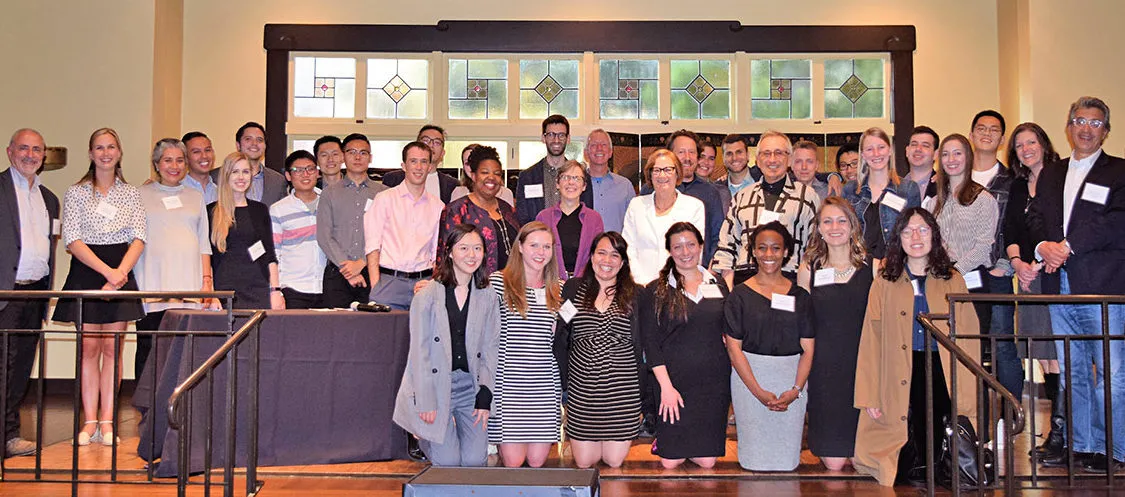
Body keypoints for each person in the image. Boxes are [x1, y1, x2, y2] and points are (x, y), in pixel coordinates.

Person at [1028, 96, 1125, 472]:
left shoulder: (1119, 172)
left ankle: (1114, 450)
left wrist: (1067, 246)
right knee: (1074, 372)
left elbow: (1116, 222)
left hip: (1103, 287)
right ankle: (1083, 446)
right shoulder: (1053, 172)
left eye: (1096, 123)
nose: (1086, 128)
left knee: (1114, 372)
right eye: (1080, 121)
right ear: (1069, 127)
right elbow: (1035, 217)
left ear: (1106, 130)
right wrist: (1043, 246)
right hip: (1059, 284)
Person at [853, 207, 981, 486]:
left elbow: (969, 334)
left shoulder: (952, 277)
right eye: (908, 230)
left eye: (923, 229)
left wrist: (969, 385)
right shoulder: (885, 280)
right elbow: (871, 337)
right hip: (898, 367)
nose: (916, 237)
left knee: (940, 430)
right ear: (899, 237)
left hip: (941, 366)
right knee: (903, 443)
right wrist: (869, 394)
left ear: (934, 236)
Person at [53, 128, 147, 447]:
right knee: (89, 349)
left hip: (121, 271)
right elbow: (73, 239)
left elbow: (139, 236)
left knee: (113, 349)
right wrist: (107, 272)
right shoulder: (76, 192)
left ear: (119, 152)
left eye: (111, 147)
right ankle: (88, 421)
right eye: (99, 147)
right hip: (89, 271)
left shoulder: (132, 193)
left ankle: (108, 421)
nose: (105, 152)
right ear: (91, 154)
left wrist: (120, 273)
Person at [393, 224, 499, 467]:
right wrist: (425, 401)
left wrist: (485, 394)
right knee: (448, 463)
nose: (471, 255)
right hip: (436, 384)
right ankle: (419, 433)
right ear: (449, 252)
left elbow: (491, 348)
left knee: (474, 462)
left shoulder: (488, 294)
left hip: (469, 386)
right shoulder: (427, 295)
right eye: (464, 248)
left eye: (477, 248)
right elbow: (419, 353)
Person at [637, 222, 730, 469]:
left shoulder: (718, 283)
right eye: (677, 246)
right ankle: (661, 439)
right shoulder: (655, 290)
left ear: (701, 246)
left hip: (713, 383)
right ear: (669, 251)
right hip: (673, 383)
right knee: (671, 462)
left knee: (707, 462)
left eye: (690, 244)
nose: (685, 251)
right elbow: (651, 344)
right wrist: (665, 387)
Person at [725, 222, 814, 471]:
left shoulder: (800, 296)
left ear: (787, 252)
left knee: (787, 462)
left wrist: (796, 389)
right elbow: (734, 349)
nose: (768, 254)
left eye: (776, 248)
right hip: (749, 380)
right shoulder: (739, 296)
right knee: (753, 461)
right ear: (752, 251)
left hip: (792, 379)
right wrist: (758, 391)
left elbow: (808, 349)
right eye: (762, 248)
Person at [553, 232, 642, 468]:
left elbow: (644, 343)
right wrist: (564, 385)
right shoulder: (573, 289)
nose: (607, 260)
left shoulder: (635, 294)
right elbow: (562, 334)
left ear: (623, 262)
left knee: (613, 461)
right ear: (591, 257)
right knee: (584, 462)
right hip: (582, 394)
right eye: (601, 252)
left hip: (622, 396)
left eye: (615, 255)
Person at [796, 197, 872, 471]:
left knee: (863, 460)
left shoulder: (874, 268)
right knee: (834, 463)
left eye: (842, 220)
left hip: (862, 365)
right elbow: (802, 322)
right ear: (818, 228)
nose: (834, 227)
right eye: (827, 221)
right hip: (824, 369)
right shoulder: (808, 269)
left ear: (853, 227)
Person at [1003, 122, 1063, 461]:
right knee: (1042, 355)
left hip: (1057, 274)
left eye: (1032, 142)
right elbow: (1011, 228)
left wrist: (1043, 261)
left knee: (1063, 357)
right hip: (1027, 277)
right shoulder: (1016, 186)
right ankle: (1058, 431)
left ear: (1044, 143)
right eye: (1020, 145)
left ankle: (1064, 433)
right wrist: (1018, 264)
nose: (1026, 149)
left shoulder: (1061, 177)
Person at [0, 128, 59, 457]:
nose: (30, 154)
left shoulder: (49, 198)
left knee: (21, 366)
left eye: (37, 149)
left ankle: (9, 435)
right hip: (4, 292)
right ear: (10, 152)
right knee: (1, 367)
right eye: (24, 148)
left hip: (35, 294)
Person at [134, 138, 213, 380]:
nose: (174, 165)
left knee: (184, 350)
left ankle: (182, 405)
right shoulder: (139, 194)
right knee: (149, 347)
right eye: (168, 160)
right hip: (151, 284)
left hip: (188, 285)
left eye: (180, 160)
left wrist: (207, 281)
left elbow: (203, 242)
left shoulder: (195, 196)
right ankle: (146, 407)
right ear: (157, 164)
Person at [488, 222, 563, 468]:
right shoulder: (497, 284)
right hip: (508, 384)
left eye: (546, 246)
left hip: (543, 385)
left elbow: (573, 328)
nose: (540, 252)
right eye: (534, 245)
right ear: (519, 247)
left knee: (537, 462)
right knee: (513, 462)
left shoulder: (560, 290)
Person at [924, 134, 998, 368]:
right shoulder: (934, 201)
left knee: (970, 355)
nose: (951, 159)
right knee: (942, 356)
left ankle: (972, 405)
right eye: (945, 154)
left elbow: (984, 247)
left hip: (971, 284)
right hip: (940, 284)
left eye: (957, 153)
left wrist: (954, 272)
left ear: (968, 157)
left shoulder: (982, 199)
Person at [713, 130, 819, 288]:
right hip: (746, 281)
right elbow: (727, 246)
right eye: (766, 153)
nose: (772, 159)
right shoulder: (742, 196)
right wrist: (730, 292)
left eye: (779, 153)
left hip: (789, 279)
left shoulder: (807, 196)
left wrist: (804, 290)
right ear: (757, 159)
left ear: (789, 159)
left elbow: (814, 247)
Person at [969, 110, 1023, 399]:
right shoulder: (957, 174)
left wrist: (1004, 265)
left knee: (1002, 342)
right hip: (964, 273)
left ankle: (1011, 413)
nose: (986, 133)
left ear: (1002, 139)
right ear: (971, 134)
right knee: (965, 340)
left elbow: (1015, 226)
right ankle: (970, 411)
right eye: (981, 128)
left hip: (998, 272)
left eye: (994, 129)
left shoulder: (1012, 180)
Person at [365, 142, 444, 309]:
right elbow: (373, 246)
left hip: (424, 283)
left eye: (424, 162)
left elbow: (437, 251)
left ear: (430, 166)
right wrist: (375, 284)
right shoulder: (384, 199)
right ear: (403, 166)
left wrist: (433, 283)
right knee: (386, 335)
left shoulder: (438, 206)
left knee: (423, 335)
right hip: (388, 283)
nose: (419, 167)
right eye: (413, 161)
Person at [316, 133, 386, 308]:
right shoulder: (329, 193)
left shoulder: (384, 193)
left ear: (370, 158)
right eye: (351, 152)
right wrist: (348, 269)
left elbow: (388, 234)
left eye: (363, 153)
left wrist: (362, 262)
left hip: (373, 271)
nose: (357, 157)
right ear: (343, 156)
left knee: (372, 328)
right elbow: (324, 236)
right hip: (337, 273)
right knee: (335, 329)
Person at [208, 152, 283, 310]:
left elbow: (269, 254)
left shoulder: (260, 210)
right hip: (225, 293)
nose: (241, 177)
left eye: (245, 171)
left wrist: (276, 291)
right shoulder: (211, 211)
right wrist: (211, 294)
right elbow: (208, 258)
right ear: (226, 175)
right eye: (235, 172)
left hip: (258, 290)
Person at [621, 149, 706, 284]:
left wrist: (673, 283)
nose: (662, 175)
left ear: (677, 173)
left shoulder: (694, 207)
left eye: (668, 169)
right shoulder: (636, 205)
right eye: (656, 170)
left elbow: (695, 252)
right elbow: (628, 248)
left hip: (679, 285)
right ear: (650, 175)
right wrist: (641, 283)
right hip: (640, 285)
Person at [640, 130, 724, 265]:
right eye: (681, 152)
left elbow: (718, 236)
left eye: (692, 152)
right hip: (654, 270)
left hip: (697, 271)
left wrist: (711, 266)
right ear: (670, 155)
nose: (687, 157)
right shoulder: (650, 190)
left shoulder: (710, 192)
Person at [438, 146, 520, 276]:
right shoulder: (456, 211)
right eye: (485, 172)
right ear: (473, 175)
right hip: (473, 289)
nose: (491, 177)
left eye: (497, 173)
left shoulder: (507, 209)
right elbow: (444, 258)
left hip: (510, 287)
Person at [842, 128, 921, 262]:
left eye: (881, 147)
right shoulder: (850, 190)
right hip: (859, 265)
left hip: (895, 266)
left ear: (890, 151)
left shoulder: (908, 189)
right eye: (869, 149)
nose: (876, 153)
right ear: (863, 155)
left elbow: (914, 232)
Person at [270, 150, 327, 309]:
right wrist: (276, 290)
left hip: (327, 287)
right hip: (293, 289)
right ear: (288, 176)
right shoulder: (278, 210)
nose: (305, 174)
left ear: (317, 173)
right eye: (298, 170)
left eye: (310, 169)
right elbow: (274, 253)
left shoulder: (329, 203)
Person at [515, 115, 593, 224]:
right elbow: (522, 217)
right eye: (551, 135)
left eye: (561, 135)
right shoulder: (527, 177)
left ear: (568, 138)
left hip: (572, 238)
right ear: (543, 138)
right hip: (538, 238)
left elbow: (587, 215)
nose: (556, 140)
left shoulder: (582, 177)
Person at [535, 160, 604, 279]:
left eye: (577, 178)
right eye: (565, 177)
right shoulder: (543, 217)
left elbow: (598, 255)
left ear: (584, 186)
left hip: (584, 286)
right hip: (550, 284)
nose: (571, 182)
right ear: (557, 184)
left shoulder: (594, 219)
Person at [209, 122, 287, 206]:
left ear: (265, 146)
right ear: (238, 145)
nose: (254, 143)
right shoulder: (214, 177)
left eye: (259, 140)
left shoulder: (278, 181)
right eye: (248, 139)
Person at [381, 125, 459, 203]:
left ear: (443, 153)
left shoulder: (452, 185)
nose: (431, 145)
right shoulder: (392, 179)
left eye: (437, 142)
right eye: (426, 140)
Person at [584, 129, 635, 234]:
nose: (599, 149)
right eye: (594, 145)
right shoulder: (577, 186)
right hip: (585, 249)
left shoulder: (625, 186)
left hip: (616, 248)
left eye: (604, 144)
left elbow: (634, 224)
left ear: (611, 152)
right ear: (586, 153)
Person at [450, 143, 515, 207]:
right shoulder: (458, 192)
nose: (472, 166)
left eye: (476, 162)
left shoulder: (505, 193)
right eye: (467, 163)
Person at [715, 134, 756, 216]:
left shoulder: (762, 180)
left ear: (747, 155)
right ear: (723, 158)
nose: (734, 158)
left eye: (739, 152)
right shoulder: (716, 190)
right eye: (729, 154)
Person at [180, 131, 218, 204]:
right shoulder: (178, 191)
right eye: (196, 152)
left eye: (207, 150)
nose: (204, 156)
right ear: (185, 157)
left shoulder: (220, 192)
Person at [904, 126, 940, 201]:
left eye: (925, 146)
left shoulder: (944, 188)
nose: (918, 149)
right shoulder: (894, 187)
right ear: (907, 151)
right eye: (914, 144)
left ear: (936, 154)